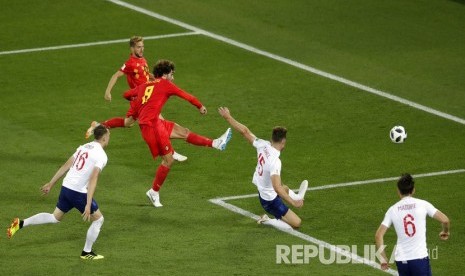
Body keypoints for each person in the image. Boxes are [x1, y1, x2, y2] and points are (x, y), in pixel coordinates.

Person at [134, 60, 232, 208]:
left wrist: (137, 107)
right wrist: (200, 106)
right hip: (151, 127)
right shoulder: (165, 84)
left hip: (155, 123)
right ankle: (153, 192)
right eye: (172, 74)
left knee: (183, 132)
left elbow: (127, 94)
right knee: (168, 161)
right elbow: (185, 95)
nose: (173, 78)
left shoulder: (147, 85)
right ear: (165, 75)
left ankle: (216, 143)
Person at [7, 125, 111, 260]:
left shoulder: (84, 147)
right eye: (108, 136)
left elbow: (65, 166)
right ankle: (86, 252)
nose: (109, 138)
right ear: (104, 138)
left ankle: (20, 223)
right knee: (98, 219)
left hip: (66, 186)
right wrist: (88, 203)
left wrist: (51, 183)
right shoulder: (101, 155)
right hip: (78, 192)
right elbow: (93, 178)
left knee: (55, 217)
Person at [88, 35, 187, 161]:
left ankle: (99, 125)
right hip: (141, 101)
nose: (141, 49)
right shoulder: (130, 63)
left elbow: (146, 76)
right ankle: (171, 152)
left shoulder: (143, 60)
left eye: (143, 47)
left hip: (144, 98)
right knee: (160, 124)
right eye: (139, 47)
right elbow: (116, 75)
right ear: (132, 48)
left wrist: (158, 80)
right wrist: (108, 91)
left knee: (128, 122)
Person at [218, 107, 308, 230]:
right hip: (269, 201)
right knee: (296, 223)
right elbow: (277, 188)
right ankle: (267, 220)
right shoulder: (275, 162)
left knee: (284, 187)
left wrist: (228, 117)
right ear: (283, 143)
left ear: (272, 139)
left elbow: (244, 131)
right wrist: (293, 204)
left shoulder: (263, 144)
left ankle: (298, 196)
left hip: (263, 190)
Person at [375, 173, 450, 275]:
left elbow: (378, 235)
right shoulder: (423, 204)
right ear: (413, 189)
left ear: (398, 191)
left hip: (401, 260)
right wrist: (445, 231)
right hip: (419, 259)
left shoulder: (392, 210)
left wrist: (383, 259)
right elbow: (445, 220)